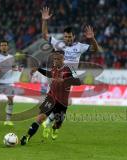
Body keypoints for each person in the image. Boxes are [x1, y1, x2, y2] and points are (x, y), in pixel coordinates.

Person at [40, 7, 103, 137]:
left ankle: (53, 126)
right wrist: (44, 20)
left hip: (68, 79)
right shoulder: (59, 44)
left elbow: (96, 50)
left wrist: (92, 38)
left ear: (73, 37)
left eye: (69, 36)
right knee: (58, 102)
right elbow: (45, 35)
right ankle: (47, 123)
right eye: (66, 37)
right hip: (58, 77)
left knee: (63, 107)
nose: (67, 38)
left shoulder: (79, 46)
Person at [20, 51, 81, 145]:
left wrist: (64, 80)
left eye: (58, 59)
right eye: (54, 59)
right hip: (51, 97)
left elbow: (78, 82)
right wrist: (38, 69)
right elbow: (50, 74)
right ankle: (27, 137)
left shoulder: (69, 69)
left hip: (62, 102)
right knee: (40, 119)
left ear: (63, 59)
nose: (55, 61)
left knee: (58, 124)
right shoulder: (54, 67)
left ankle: (54, 128)